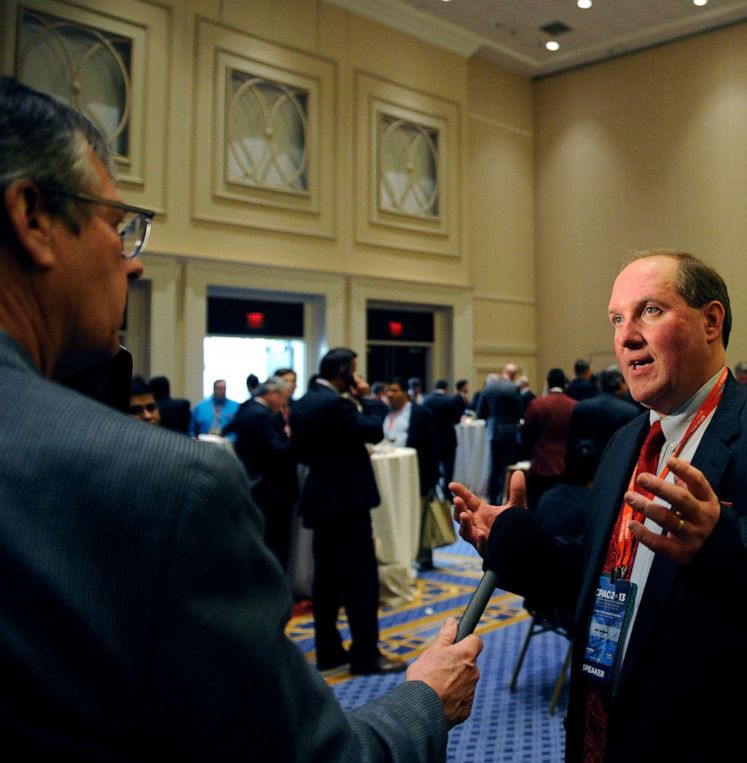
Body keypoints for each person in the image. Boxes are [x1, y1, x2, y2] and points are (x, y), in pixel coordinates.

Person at [0, 77, 481, 759]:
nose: (133, 263)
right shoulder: (162, 490)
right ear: (32, 218)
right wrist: (424, 700)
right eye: (119, 227)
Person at [452, 250, 747, 762]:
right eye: (617, 318)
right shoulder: (624, 443)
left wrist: (726, 546)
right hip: (608, 729)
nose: (625, 335)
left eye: (649, 311)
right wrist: (523, 548)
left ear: (711, 321)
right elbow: (608, 574)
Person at [291, 348, 407, 675]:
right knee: (360, 582)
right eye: (354, 371)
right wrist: (368, 397)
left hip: (319, 500)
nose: (356, 377)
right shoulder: (336, 404)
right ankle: (366, 653)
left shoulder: (302, 403)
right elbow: (372, 429)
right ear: (343, 372)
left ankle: (328, 651)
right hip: (348, 503)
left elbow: (301, 453)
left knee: (325, 583)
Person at [224, 376, 298, 570]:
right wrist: (296, 440)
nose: (284, 404)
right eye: (283, 397)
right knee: (276, 541)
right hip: (272, 487)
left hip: (256, 481)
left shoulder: (246, 408)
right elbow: (277, 450)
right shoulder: (260, 415)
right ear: (271, 394)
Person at [384, 378, 440, 569]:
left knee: (421, 516)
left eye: (394, 390)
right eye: (387, 391)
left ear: (404, 393)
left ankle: (424, 556)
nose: (389, 394)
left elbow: (432, 445)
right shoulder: (387, 414)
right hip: (393, 475)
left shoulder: (421, 414)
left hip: (419, 473)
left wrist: (432, 476)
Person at [565, 363, 644, 481]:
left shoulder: (582, 406)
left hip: (584, 470)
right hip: (617, 471)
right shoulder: (630, 412)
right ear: (620, 383)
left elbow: (571, 441)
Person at [518, 367, 577, 513]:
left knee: (536, 508)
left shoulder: (537, 404)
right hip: (566, 465)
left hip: (541, 464)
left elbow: (527, 435)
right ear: (564, 384)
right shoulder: (575, 406)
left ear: (548, 383)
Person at [476, 362, 524, 503]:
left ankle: (491, 499)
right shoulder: (513, 388)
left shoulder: (489, 386)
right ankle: (503, 498)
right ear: (513, 375)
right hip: (508, 432)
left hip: (492, 431)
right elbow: (519, 413)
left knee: (493, 467)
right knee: (505, 467)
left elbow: (480, 412)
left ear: (503, 371)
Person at [422, 379, 466, 499]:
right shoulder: (450, 400)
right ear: (445, 388)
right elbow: (456, 420)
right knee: (448, 467)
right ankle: (447, 493)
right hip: (448, 438)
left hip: (431, 439)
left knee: (433, 467)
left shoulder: (426, 401)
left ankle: (434, 492)